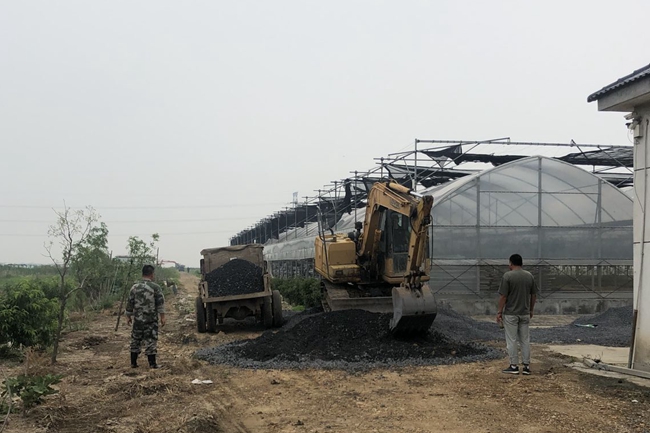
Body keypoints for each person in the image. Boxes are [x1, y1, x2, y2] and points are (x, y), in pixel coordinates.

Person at [496, 254, 538, 375]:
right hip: (525, 313)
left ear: (511, 263)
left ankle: (514, 366)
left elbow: (503, 296)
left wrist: (499, 311)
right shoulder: (529, 276)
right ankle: (526, 367)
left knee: (512, 340)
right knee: (525, 340)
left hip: (511, 314)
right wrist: (531, 310)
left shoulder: (508, 276)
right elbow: (534, 295)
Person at [126, 264, 166, 368]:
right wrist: (162, 317)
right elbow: (160, 303)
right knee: (151, 340)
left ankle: (133, 363)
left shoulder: (134, 287)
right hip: (150, 319)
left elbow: (130, 302)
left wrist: (128, 316)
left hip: (138, 319)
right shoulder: (155, 287)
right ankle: (152, 364)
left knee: (135, 339)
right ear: (152, 274)